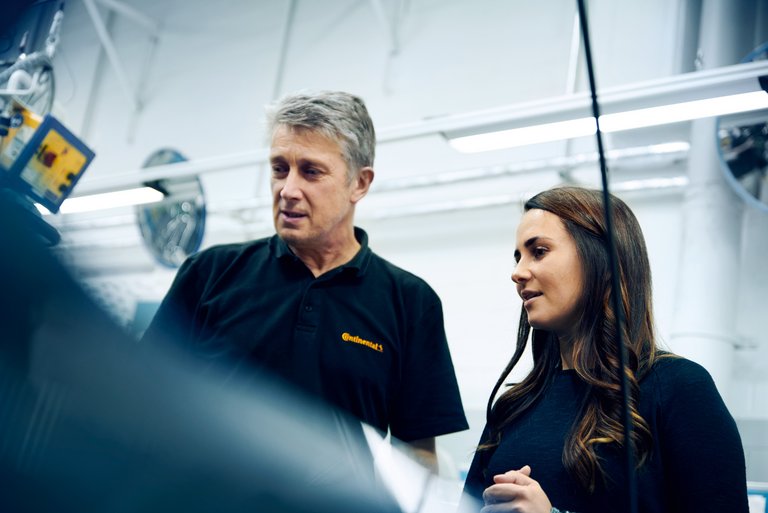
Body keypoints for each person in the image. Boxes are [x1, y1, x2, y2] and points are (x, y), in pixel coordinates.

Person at [142, 90, 468, 470]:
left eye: (311, 171)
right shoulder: (208, 274)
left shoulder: (410, 302)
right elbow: (146, 399)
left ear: (359, 184)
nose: (288, 190)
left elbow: (417, 453)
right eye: (280, 168)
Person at [461, 186, 748, 513]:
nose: (518, 273)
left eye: (539, 251)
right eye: (518, 257)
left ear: (603, 259)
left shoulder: (678, 388)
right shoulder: (513, 406)